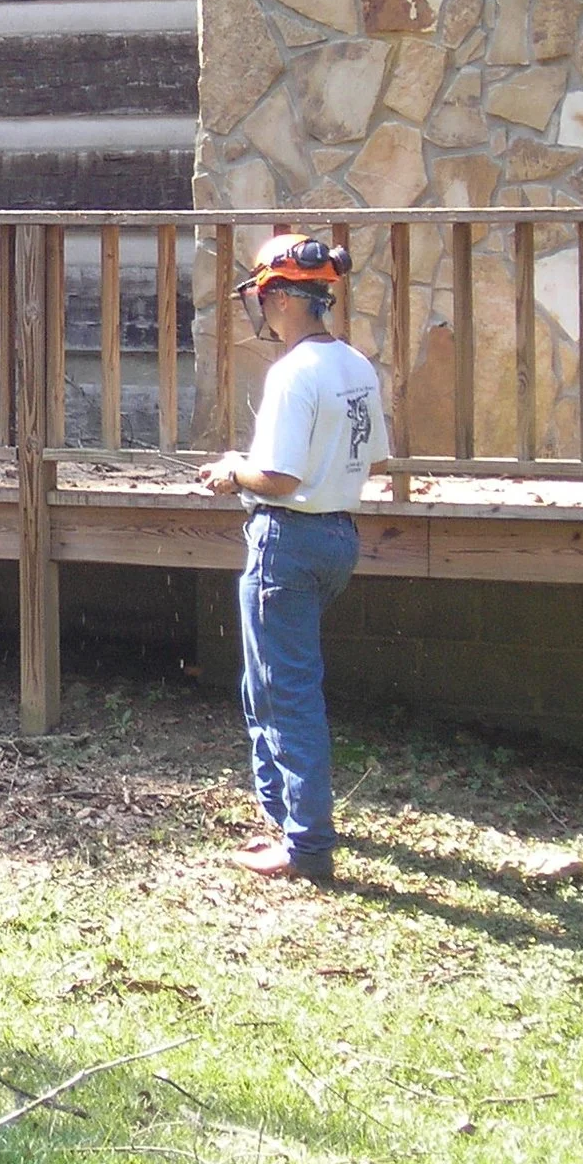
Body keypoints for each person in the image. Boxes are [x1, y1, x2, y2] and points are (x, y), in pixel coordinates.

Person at [195, 234, 386, 886]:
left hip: (289, 540)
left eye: (260, 296)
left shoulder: (293, 372)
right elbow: (371, 456)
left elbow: (277, 476)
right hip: (339, 537)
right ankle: (287, 816)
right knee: (267, 685)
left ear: (276, 297)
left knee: (286, 694)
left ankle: (305, 846)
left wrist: (231, 471)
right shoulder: (357, 366)